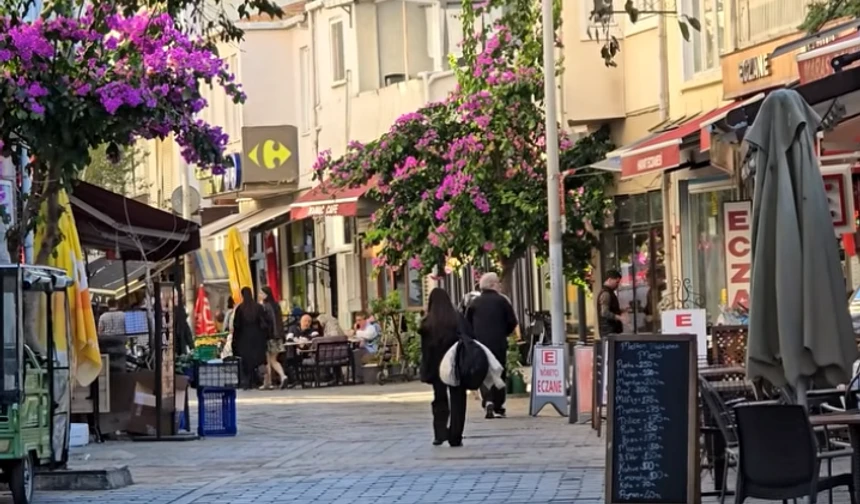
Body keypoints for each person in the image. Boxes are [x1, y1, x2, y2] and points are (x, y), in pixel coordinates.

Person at [419, 288, 470, 447]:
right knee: (458, 399)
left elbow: (425, 351)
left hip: (436, 367)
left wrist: (426, 370)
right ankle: (456, 435)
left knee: (439, 398)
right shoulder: (457, 319)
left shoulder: (427, 323)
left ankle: (439, 433)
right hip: (455, 364)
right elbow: (469, 338)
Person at [466, 272, 518, 419]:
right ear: (492, 285)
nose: (500, 285)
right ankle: (498, 405)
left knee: (484, 372)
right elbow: (512, 322)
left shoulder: (474, 303)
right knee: (498, 371)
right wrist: (504, 333)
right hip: (498, 343)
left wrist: (473, 338)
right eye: (498, 283)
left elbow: (467, 323)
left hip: (480, 344)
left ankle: (487, 400)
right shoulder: (502, 301)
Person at [232, 287, 268, 390]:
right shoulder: (258, 307)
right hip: (257, 338)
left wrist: (235, 341)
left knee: (246, 361)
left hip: (244, 339)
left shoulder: (240, 309)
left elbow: (237, 326)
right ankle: (256, 380)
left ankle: (247, 381)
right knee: (256, 360)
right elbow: (264, 323)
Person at [260, 286, 288, 390]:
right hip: (279, 336)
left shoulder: (265, 306)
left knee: (269, 360)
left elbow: (267, 322)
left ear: (266, 295)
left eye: (261, 293)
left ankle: (268, 382)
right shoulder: (276, 305)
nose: (260, 295)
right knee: (274, 359)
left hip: (270, 336)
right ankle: (282, 376)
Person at [597, 270, 625, 337]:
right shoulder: (606, 293)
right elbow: (604, 312)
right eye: (617, 282)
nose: (617, 285)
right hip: (609, 332)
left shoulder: (608, 292)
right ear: (609, 280)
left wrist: (620, 310)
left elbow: (610, 309)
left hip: (610, 331)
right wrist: (620, 317)